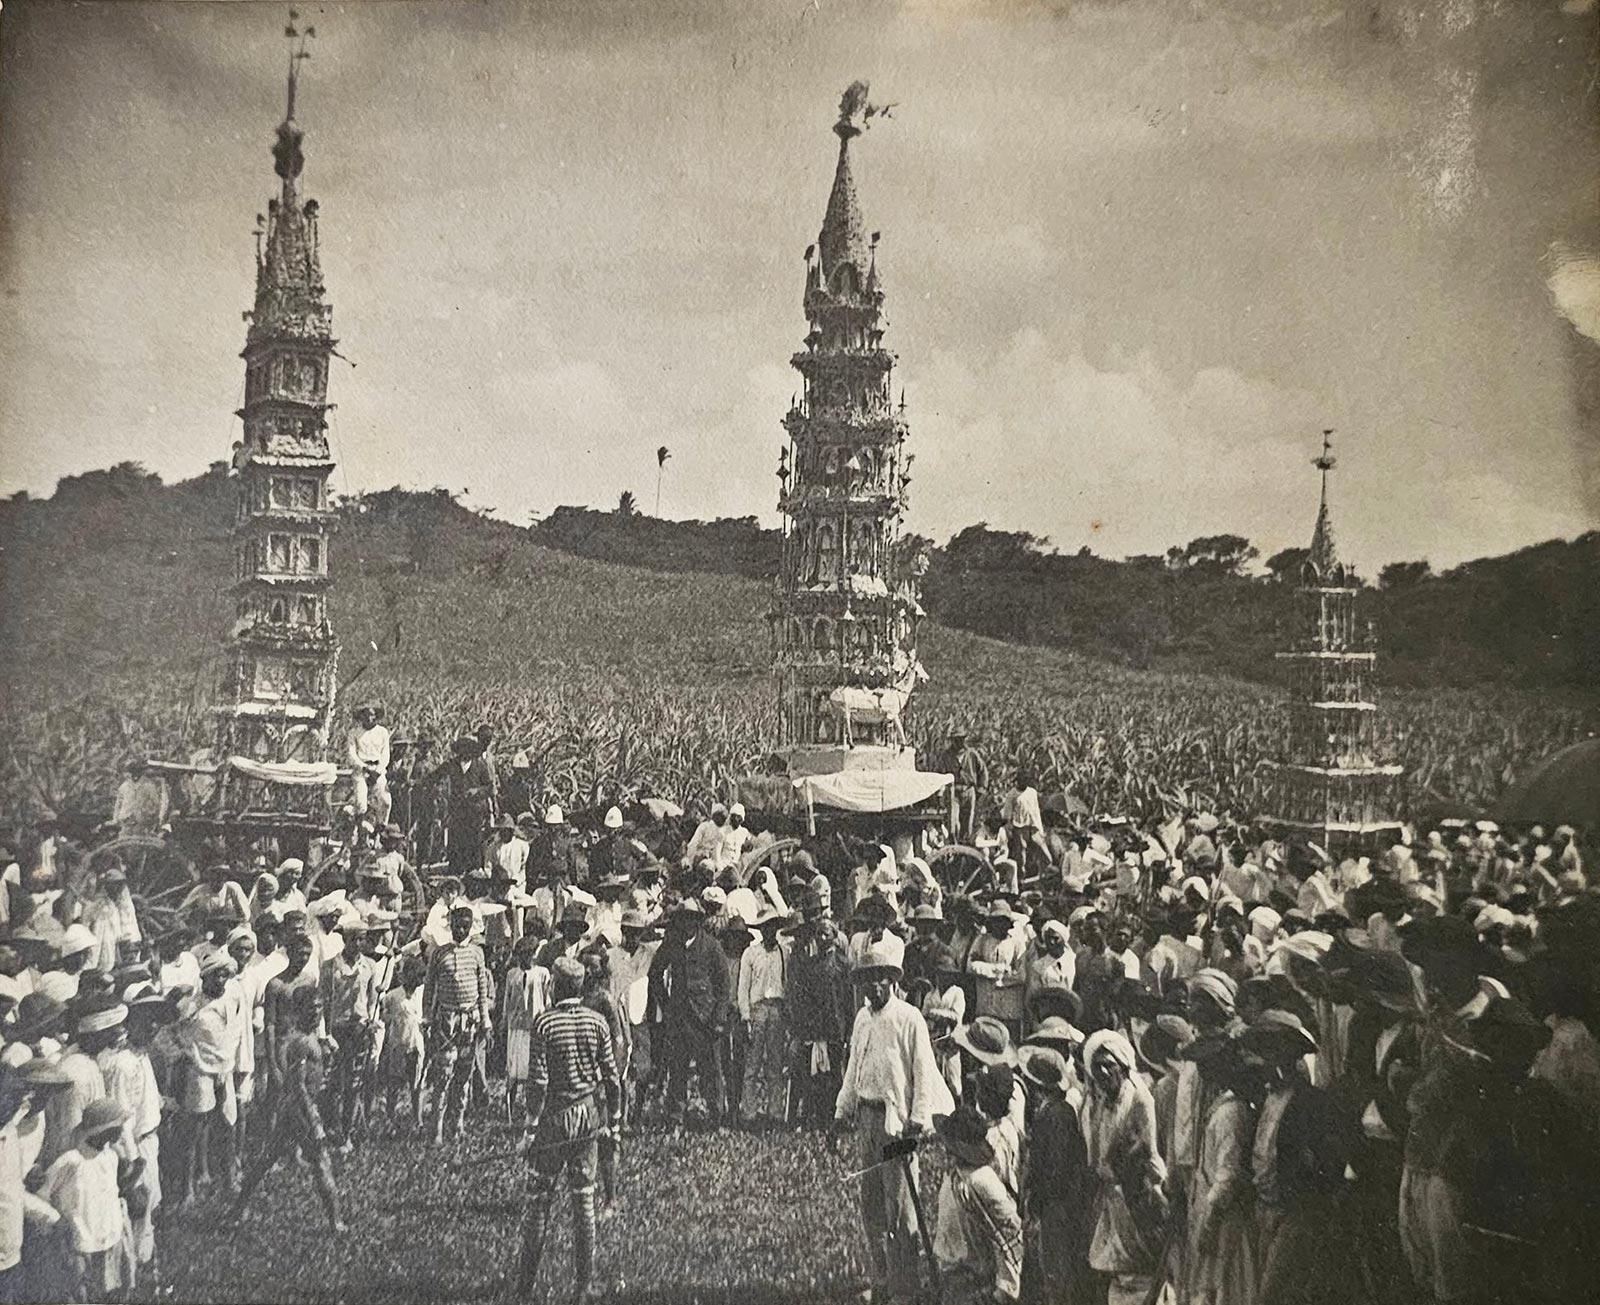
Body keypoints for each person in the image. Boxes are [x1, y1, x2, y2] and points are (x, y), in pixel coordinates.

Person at [834, 931, 955, 1304]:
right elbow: (855, 1068)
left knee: (901, 1207)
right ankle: (882, 1276)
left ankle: (906, 1283)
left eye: (880, 978)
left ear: (892, 979)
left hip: (898, 1123)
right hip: (868, 1122)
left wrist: (916, 1123)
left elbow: (923, 1074)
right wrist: (842, 1112)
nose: (874, 986)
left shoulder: (909, 1018)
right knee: (871, 1204)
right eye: (868, 979)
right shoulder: (862, 1019)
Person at [515, 956, 621, 1301]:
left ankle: (525, 1288)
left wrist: (530, 1129)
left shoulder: (544, 1023)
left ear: (555, 986)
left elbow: (539, 1082)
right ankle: (583, 1288)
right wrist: (614, 1124)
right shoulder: (597, 1022)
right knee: (583, 1203)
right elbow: (613, 1078)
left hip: (554, 1121)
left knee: (539, 1202)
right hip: (587, 1119)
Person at [229, 986, 345, 1233]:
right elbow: (298, 1085)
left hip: (294, 1110)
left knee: (265, 1161)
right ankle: (336, 1222)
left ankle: (236, 1210)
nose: (315, 1014)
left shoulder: (312, 1037)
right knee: (321, 1161)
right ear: (298, 1011)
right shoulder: (300, 1042)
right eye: (310, 1010)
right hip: (298, 1111)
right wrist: (312, 1119)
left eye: (319, 1009)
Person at [1080, 1028, 1166, 1304]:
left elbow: (1149, 1149)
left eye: (1109, 1066)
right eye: (1098, 1067)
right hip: (1111, 1192)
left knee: (1139, 1264)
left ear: (1123, 1066)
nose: (1103, 1073)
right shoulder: (1100, 1103)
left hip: (1136, 1188)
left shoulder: (1140, 1099)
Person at [39, 1096, 133, 1302]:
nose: (121, 1132)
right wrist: (56, 1224)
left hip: (105, 1230)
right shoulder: (72, 1161)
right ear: (103, 1130)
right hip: (79, 1235)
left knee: (104, 1284)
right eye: (117, 1128)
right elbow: (43, 1193)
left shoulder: (110, 1157)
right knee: (78, 1286)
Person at [935, 1103, 1024, 1303]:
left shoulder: (981, 1180)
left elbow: (1010, 1231)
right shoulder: (956, 1174)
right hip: (953, 1273)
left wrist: (1005, 1288)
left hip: (974, 1278)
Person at [653, 899, 730, 1128]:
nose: (688, 923)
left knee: (711, 1071)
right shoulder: (671, 944)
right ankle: (675, 1118)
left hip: (705, 1019)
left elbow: (723, 986)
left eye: (692, 918)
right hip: (679, 1018)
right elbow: (655, 974)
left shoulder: (712, 946)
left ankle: (716, 1118)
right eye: (684, 918)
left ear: (699, 921)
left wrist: (718, 1019)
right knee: (677, 1069)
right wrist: (667, 1006)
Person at [737, 906, 789, 1129]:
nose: (770, 931)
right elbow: (743, 988)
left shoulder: (784, 953)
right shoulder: (751, 953)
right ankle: (749, 1113)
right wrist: (746, 1017)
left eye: (773, 927)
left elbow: (786, 984)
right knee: (752, 1064)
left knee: (775, 1065)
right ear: (761, 930)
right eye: (766, 927)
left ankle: (775, 1113)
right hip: (757, 1010)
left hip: (776, 1009)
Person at [503, 937, 552, 1122]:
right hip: (515, 1027)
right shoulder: (512, 974)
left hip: (535, 1026)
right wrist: (504, 1020)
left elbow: (547, 1000)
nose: (525, 959)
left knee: (534, 1070)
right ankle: (509, 1113)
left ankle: (534, 1112)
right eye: (521, 955)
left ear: (534, 955)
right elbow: (507, 1001)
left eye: (528, 955)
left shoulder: (542, 973)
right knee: (514, 1072)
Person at [346, 702, 393, 829]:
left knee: (386, 801)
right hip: (361, 771)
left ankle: (380, 829)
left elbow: (385, 754)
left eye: (372, 715)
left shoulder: (382, 732)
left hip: (377, 770)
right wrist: (363, 767)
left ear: (376, 716)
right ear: (361, 717)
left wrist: (378, 770)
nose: (369, 718)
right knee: (361, 805)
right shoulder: (354, 732)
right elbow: (352, 754)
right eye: (365, 715)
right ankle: (358, 832)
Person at [111, 758, 168, 836]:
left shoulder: (148, 785)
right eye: (129, 772)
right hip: (126, 821)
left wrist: (153, 816)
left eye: (132, 772)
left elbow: (156, 803)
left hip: (142, 822)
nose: (129, 775)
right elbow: (118, 804)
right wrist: (115, 819)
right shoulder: (124, 786)